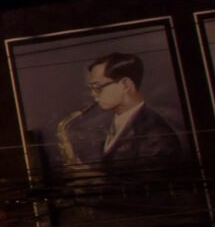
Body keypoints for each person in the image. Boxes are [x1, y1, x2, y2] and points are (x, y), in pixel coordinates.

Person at [49, 51, 188, 179]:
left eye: (98, 87)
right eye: (91, 89)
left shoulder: (156, 134)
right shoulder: (110, 124)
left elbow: (148, 188)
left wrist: (93, 179)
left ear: (125, 85)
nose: (93, 95)